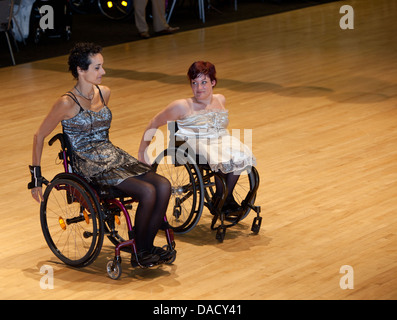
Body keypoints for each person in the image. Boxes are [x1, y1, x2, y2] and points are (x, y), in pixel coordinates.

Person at [28, 42, 172, 267]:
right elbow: (38, 136)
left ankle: (146, 245)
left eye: (102, 66)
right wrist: (36, 178)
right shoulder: (66, 103)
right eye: (97, 68)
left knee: (163, 185)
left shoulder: (104, 93)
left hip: (113, 155)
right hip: (89, 163)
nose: (103, 72)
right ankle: (140, 250)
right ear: (80, 70)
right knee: (147, 192)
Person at [138, 61, 256, 215]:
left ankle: (225, 197)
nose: (199, 88)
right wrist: (142, 152)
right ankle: (221, 198)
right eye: (194, 83)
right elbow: (154, 122)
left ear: (213, 83)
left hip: (220, 139)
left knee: (242, 154)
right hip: (193, 142)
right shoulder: (181, 106)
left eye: (204, 82)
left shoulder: (220, 99)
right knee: (221, 156)